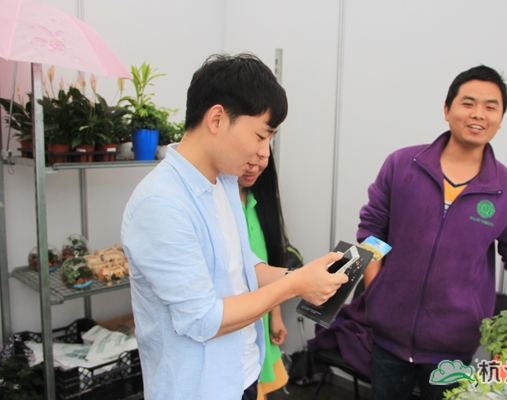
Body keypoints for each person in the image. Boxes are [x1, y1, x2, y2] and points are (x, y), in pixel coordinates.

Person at [357, 65, 507, 400]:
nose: (478, 114)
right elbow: (372, 231)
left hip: (453, 348)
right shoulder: (402, 165)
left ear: (500, 119)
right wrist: (376, 290)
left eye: (490, 107)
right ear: (447, 110)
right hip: (387, 338)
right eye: (468, 103)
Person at [121, 53, 348, 400]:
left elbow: (244, 267)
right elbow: (202, 319)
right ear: (216, 119)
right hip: (199, 390)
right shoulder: (161, 204)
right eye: (260, 136)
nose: (265, 153)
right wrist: (295, 285)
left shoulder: (225, 183)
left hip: (243, 373)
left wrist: (302, 277)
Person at [238, 149, 289, 399]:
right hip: (236, 323)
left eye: (261, 158)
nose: (253, 166)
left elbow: (266, 267)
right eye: (246, 158)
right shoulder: (221, 207)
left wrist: (275, 315)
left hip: (262, 317)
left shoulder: (260, 203)